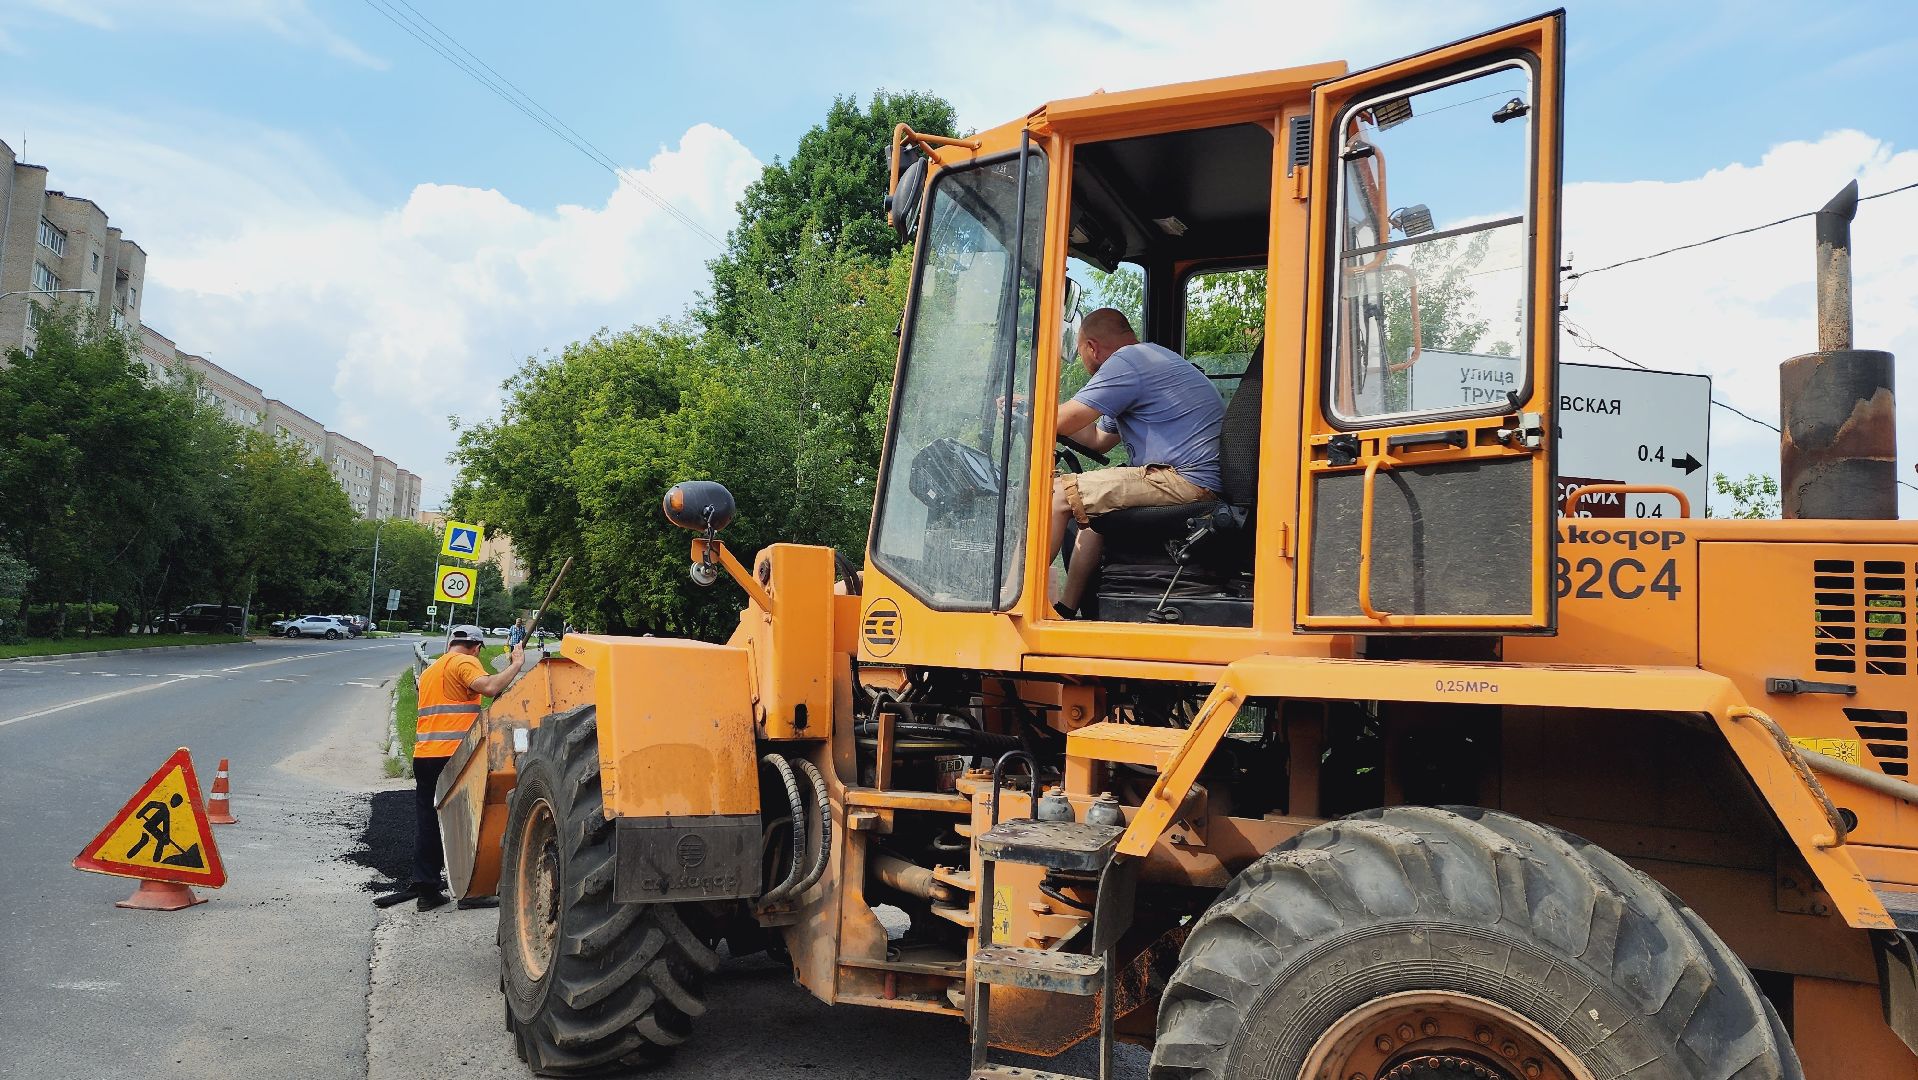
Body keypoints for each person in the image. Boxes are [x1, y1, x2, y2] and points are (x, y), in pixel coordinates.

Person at [1050, 308, 1224, 617]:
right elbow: (1097, 439)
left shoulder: (1127, 362)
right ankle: (1066, 609)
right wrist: (1035, 413)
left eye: (1082, 355)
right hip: (1192, 479)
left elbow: (1065, 419)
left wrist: (1028, 413)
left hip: (1185, 479)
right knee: (1093, 506)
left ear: (1091, 347)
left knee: (1058, 494)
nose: (1087, 364)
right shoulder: (1148, 361)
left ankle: (1016, 604)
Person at [374, 624, 524, 911]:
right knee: (467, 822)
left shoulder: (432, 670)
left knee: (429, 822)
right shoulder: (464, 662)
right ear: (477, 647)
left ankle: (427, 889)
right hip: (453, 757)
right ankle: (472, 891)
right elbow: (490, 688)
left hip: (425, 755)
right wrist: (517, 664)